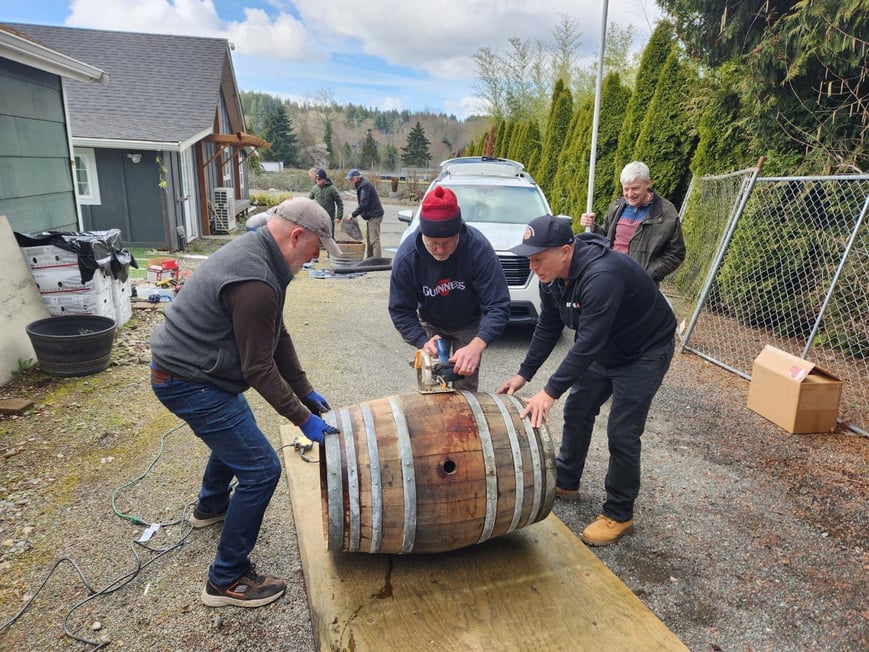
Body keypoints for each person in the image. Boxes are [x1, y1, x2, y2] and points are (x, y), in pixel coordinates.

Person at [149, 198, 342, 608]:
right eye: (315, 248)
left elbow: (277, 335)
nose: (315, 258)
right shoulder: (256, 281)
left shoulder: (265, 258)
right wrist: (302, 418)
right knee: (261, 470)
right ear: (296, 236)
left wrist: (304, 388)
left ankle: (211, 507)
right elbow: (258, 369)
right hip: (186, 380)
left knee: (238, 429)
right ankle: (226, 579)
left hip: (201, 371)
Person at [496, 214, 676, 547]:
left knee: (622, 431)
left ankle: (619, 514)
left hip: (643, 352)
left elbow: (587, 342)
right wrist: (524, 374)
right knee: (578, 408)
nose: (532, 265)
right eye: (529, 258)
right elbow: (548, 328)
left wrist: (549, 392)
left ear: (565, 251)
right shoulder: (551, 277)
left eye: (538, 257)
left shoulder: (601, 276)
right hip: (605, 349)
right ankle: (567, 480)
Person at [389, 186, 510, 392]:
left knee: (465, 384)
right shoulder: (407, 258)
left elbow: (498, 305)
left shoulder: (478, 250)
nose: (441, 249)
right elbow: (400, 310)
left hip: (469, 323)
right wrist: (421, 340)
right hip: (431, 323)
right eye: (433, 243)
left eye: (448, 242)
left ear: (459, 233)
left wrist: (477, 345)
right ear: (423, 234)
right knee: (431, 382)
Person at [579, 161, 685, 284]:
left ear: (648, 183)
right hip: (609, 276)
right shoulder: (617, 206)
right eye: (626, 189)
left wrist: (646, 273)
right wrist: (592, 226)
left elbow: (676, 253)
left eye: (635, 188)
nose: (630, 194)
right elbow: (604, 237)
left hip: (640, 284)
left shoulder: (665, 212)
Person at [344, 168, 385, 259]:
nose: (350, 181)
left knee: (374, 240)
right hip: (371, 215)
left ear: (356, 178)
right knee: (370, 238)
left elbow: (363, 204)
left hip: (375, 215)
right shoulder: (361, 185)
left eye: (351, 179)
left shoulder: (364, 186)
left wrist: (353, 214)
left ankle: (377, 261)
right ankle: (370, 259)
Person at [308, 168, 343, 238]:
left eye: (319, 179)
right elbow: (309, 201)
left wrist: (339, 217)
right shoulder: (314, 188)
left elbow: (339, 203)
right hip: (317, 218)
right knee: (317, 237)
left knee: (330, 237)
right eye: (317, 179)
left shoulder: (332, 189)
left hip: (329, 218)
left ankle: (330, 249)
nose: (317, 181)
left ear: (324, 179)